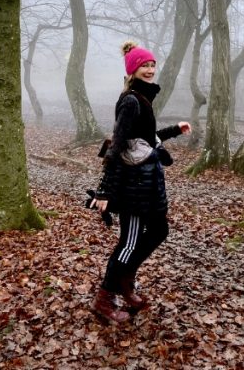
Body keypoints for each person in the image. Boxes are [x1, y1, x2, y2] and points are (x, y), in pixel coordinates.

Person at [90, 41, 191, 323]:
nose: (149, 69)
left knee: (159, 230)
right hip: (132, 186)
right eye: (143, 65)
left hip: (147, 185)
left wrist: (173, 130)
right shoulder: (131, 101)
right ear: (132, 70)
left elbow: (144, 140)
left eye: (151, 65)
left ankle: (125, 279)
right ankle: (104, 298)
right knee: (129, 243)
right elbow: (119, 144)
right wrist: (104, 190)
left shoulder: (142, 99)